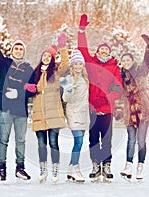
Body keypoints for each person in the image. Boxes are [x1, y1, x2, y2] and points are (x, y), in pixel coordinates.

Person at [77, 14, 123, 182]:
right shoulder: (91, 62)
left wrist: (107, 98)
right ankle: (96, 165)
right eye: (101, 49)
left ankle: (107, 164)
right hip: (92, 109)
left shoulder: (114, 67)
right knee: (93, 138)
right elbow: (82, 49)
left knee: (107, 139)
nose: (104, 51)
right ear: (97, 51)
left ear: (110, 53)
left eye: (107, 50)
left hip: (107, 108)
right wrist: (81, 31)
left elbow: (118, 88)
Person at [0, 16, 36, 181]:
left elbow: (32, 89)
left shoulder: (28, 69)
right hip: (5, 108)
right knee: (3, 139)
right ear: (12, 51)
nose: (18, 51)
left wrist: (21, 92)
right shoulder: (5, 63)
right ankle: (1, 167)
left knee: (21, 141)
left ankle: (20, 167)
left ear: (24, 52)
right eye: (16, 49)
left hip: (21, 110)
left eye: (21, 49)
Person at [25, 32, 68, 184]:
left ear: (52, 59)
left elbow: (65, 65)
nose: (46, 58)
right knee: (41, 144)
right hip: (39, 112)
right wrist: (30, 88)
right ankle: (43, 170)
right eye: (45, 56)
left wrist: (62, 48)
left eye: (49, 56)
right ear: (41, 57)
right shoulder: (36, 72)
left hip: (53, 111)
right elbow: (29, 88)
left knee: (54, 143)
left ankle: (55, 170)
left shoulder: (56, 71)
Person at [119, 34, 149, 180]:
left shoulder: (141, 71)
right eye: (123, 60)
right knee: (131, 140)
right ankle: (128, 167)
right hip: (130, 112)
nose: (126, 62)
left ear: (132, 61)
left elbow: (148, 60)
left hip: (144, 110)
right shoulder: (120, 76)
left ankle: (140, 167)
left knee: (141, 140)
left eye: (128, 60)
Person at [60, 50, 89, 183]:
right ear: (72, 66)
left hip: (83, 113)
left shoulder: (85, 79)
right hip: (73, 113)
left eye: (80, 64)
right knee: (78, 141)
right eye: (75, 64)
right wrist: (69, 90)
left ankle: (71, 169)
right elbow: (65, 99)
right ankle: (75, 168)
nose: (78, 66)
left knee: (79, 142)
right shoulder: (69, 79)